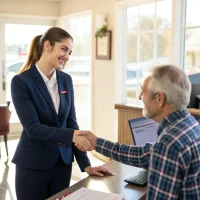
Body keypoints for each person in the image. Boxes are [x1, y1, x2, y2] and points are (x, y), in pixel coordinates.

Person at [11, 27, 114, 200]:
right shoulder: (21, 82)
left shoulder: (66, 80)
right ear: (47, 45)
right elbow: (33, 129)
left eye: (70, 52)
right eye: (64, 49)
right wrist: (73, 135)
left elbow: (71, 123)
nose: (67, 56)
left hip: (62, 165)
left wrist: (86, 165)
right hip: (32, 166)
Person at [77, 65, 200, 199]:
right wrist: (96, 142)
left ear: (160, 99)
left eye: (143, 92)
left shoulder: (168, 144)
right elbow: (144, 155)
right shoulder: (190, 125)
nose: (140, 97)